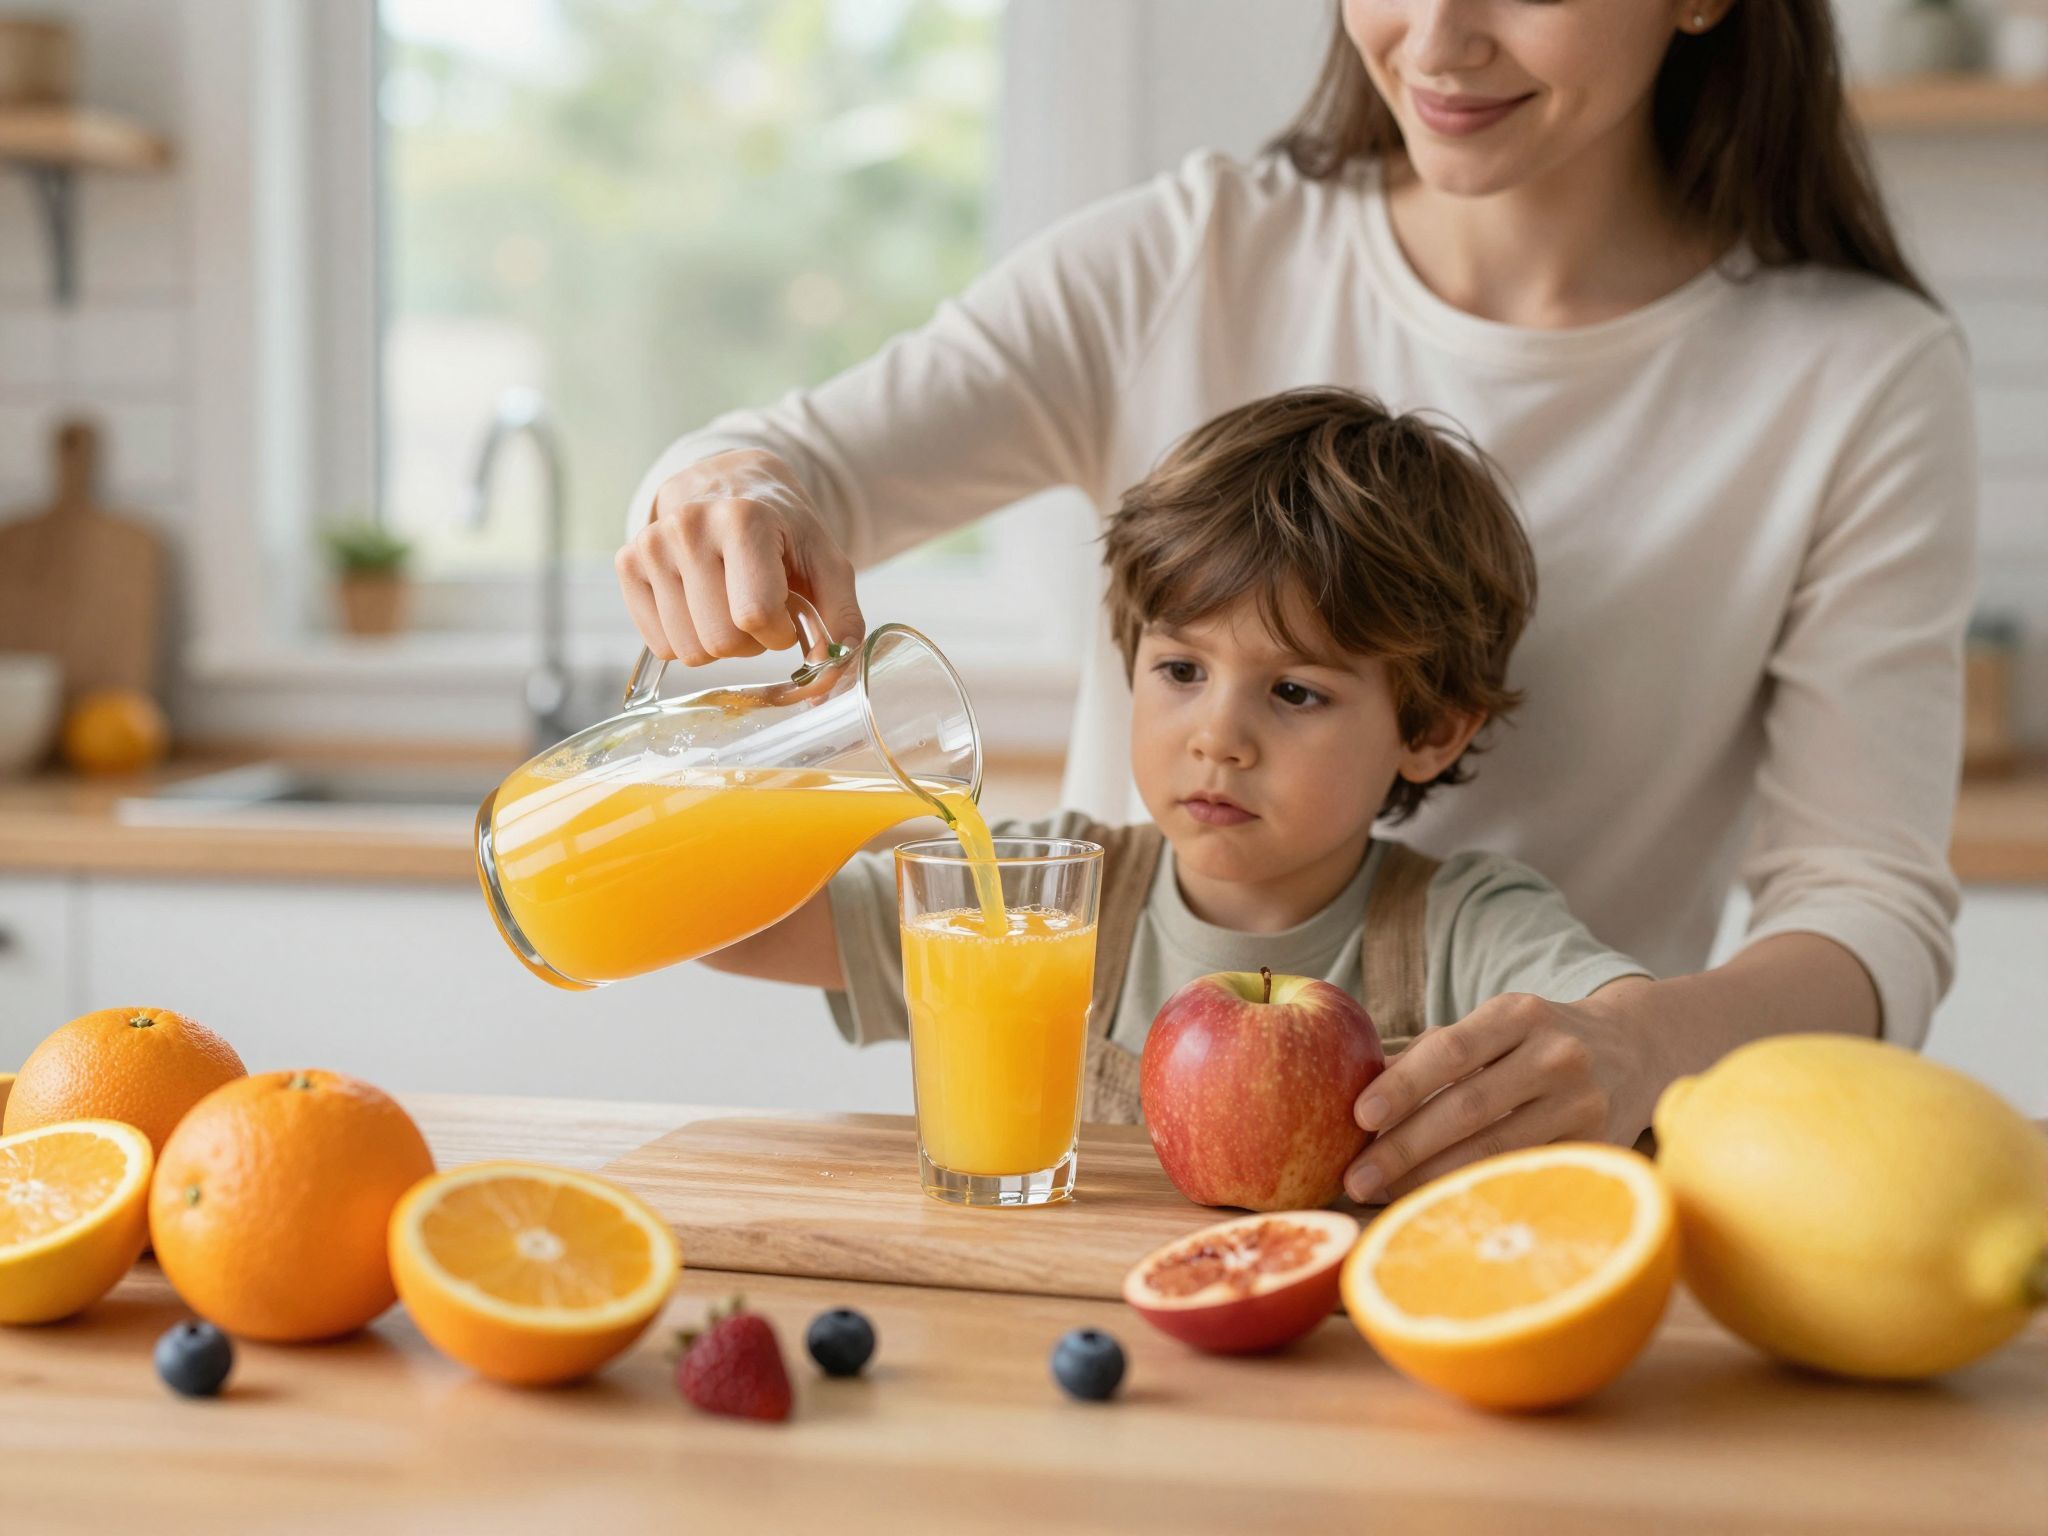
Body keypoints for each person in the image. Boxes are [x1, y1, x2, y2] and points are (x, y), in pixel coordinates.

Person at [619, 1, 1974, 1204]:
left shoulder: (1859, 377)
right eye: (1182, 667)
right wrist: (728, 505)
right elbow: (788, 464)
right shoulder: (1182, 255)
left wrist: (1638, 1046)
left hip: (1521, 1218)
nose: (1439, 38)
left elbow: (1865, 903)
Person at [702, 388, 1657, 1138]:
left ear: (1433, 731)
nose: (1217, 737)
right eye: (1181, 669)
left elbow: (1635, 1038)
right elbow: (738, 929)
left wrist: (1621, 1045)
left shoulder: (1466, 928)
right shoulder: (1038, 893)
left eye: (1294, 692)